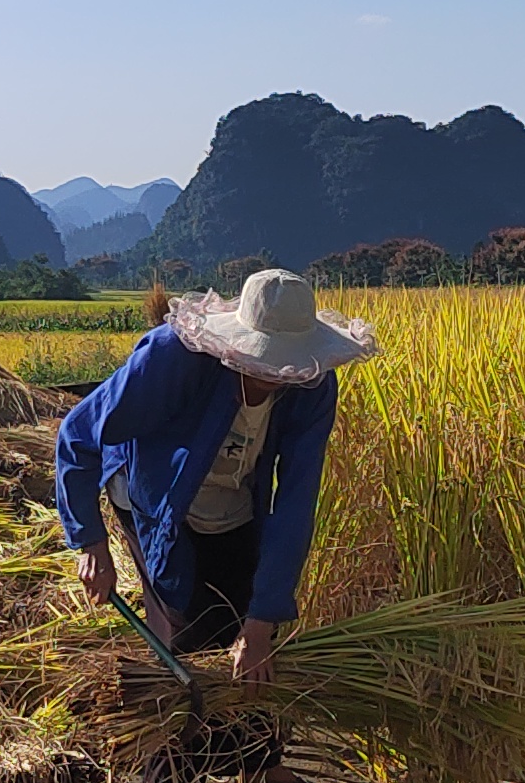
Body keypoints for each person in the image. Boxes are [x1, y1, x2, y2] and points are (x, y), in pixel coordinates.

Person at [51, 266, 379, 692]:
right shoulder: (174, 358)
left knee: (245, 611)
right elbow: (78, 433)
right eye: (267, 361)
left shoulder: (311, 383)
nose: (279, 375)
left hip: (235, 494)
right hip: (153, 484)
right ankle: (181, 734)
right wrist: (89, 542)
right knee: (190, 617)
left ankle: (253, 748)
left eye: (288, 365)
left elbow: (297, 499)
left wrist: (260, 624)